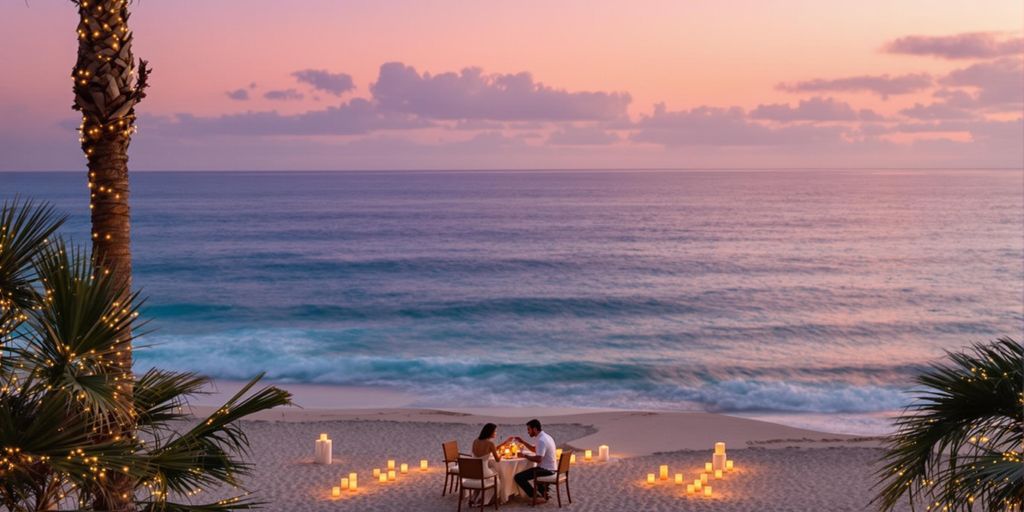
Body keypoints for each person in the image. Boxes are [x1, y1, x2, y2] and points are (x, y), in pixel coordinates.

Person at [510, 419, 556, 503]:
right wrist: (523, 442)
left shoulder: (541, 440)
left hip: (546, 470)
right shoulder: (545, 436)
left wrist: (525, 456)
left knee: (518, 477)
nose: (528, 432)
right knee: (528, 472)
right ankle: (544, 492)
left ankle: (536, 497)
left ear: (534, 429)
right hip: (551, 468)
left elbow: (538, 459)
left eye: (529, 429)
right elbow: (535, 449)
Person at [469, 423, 503, 506]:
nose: (495, 433)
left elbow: (476, 455)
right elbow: (497, 460)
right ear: (490, 432)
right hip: (483, 472)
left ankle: (473, 498)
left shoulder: (475, 441)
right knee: (497, 478)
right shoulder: (490, 444)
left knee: (483, 478)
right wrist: (501, 455)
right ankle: (485, 500)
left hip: (473, 471)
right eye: (495, 431)